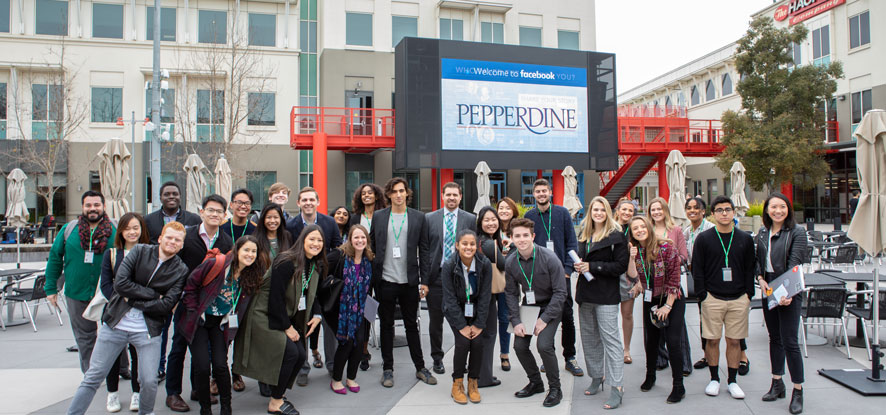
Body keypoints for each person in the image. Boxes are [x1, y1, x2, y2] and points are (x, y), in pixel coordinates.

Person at [67, 221, 190, 415]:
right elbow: (121, 284)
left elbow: (166, 306)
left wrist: (134, 301)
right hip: (115, 324)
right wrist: (153, 294)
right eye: (169, 237)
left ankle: (146, 412)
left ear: (182, 244)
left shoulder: (180, 270)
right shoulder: (140, 251)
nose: (172, 242)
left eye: (177, 240)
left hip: (147, 331)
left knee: (149, 381)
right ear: (160, 238)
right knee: (93, 376)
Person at [232, 225, 325, 415]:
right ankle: (275, 402)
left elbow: (312, 294)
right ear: (302, 240)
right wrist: (287, 327)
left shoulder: (314, 264)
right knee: (290, 352)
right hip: (263, 313)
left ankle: (278, 394)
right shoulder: (286, 261)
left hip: (283, 314)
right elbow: (275, 298)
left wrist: (317, 315)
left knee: (300, 355)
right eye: (312, 239)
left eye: (320, 240)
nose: (316, 244)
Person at [181, 236, 266, 415]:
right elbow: (191, 285)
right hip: (201, 321)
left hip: (221, 324)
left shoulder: (250, 276)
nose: (250, 255)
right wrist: (192, 311)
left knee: (220, 365)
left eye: (253, 251)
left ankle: (226, 406)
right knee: (202, 366)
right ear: (237, 250)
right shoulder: (217, 264)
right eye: (246, 250)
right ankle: (205, 408)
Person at [165, 195, 235, 413]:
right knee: (178, 346)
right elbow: (175, 267)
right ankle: (173, 392)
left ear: (225, 216)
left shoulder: (226, 242)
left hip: (210, 307)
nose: (214, 214)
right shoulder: (188, 236)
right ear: (202, 211)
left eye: (219, 212)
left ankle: (198, 389)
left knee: (202, 352)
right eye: (210, 210)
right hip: (186, 303)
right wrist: (176, 300)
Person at [370, 177, 435, 388]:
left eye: (402, 191)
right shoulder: (379, 217)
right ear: (388, 195)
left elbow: (424, 250)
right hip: (385, 281)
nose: (399, 195)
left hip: (409, 282)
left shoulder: (418, 218)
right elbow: (372, 247)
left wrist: (425, 281)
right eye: (394, 191)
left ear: (407, 193)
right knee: (386, 326)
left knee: (412, 326)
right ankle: (387, 369)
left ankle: (420, 367)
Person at [45, 190, 117, 374]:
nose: (92, 209)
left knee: (115, 333)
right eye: (88, 205)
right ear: (83, 207)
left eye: (96, 205)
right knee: (85, 337)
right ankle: (90, 372)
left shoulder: (116, 229)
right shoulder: (69, 230)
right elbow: (55, 257)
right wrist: (51, 288)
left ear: (103, 207)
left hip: (109, 292)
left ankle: (121, 368)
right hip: (77, 292)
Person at [691, 196, 756, 400]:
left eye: (728, 209)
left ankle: (733, 380)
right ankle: (714, 378)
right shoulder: (704, 238)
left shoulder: (745, 238)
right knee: (712, 340)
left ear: (733, 212)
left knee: (734, 341)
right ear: (713, 214)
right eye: (719, 210)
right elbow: (697, 268)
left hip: (738, 298)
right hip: (712, 297)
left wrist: (748, 294)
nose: (724, 213)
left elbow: (750, 268)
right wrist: (703, 294)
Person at [505, 218, 568, 408]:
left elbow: (561, 293)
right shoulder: (510, 262)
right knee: (519, 346)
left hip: (551, 306)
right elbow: (511, 293)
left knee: (544, 345)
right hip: (530, 306)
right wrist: (516, 321)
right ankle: (536, 382)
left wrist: (544, 319)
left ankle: (555, 388)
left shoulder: (549, 258)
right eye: (517, 236)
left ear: (533, 236)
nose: (522, 239)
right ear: (511, 238)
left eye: (525, 235)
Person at [523, 179, 583, 377]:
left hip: (561, 275)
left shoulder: (562, 213)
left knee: (566, 316)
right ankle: (548, 357)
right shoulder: (530, 215)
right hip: (539, 278)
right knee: (542, 317)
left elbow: (571, 243)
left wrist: (567, 270)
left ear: (550, 193)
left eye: (544, 191)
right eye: (538, 191)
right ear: (534, 195)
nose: (541, 194)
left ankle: (570, 357)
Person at [754, 193, 807, 414]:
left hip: (789, 293)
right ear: (767, 210)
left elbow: (794, 264)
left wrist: (787, 293)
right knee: (774, 338)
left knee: (790, 342)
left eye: (782, 207)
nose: (778, 211)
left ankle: (798, 390)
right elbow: (758, 261)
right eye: (774, 207)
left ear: (788, 209)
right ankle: (777, 383)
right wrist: (760, 278)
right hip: (768, 291)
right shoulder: (763, 232)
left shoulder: (797, 232)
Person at [574, 197, 629, 409]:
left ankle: (617, 387)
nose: (598, 213)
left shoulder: (616, 236)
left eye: (602, 210)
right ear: (590, 213)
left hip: (606, 295)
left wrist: (593, 266)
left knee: (611, 342)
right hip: (586, 294)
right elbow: (582, 260)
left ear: (607, 212)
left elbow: (620, 266)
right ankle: (597, 376)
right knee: (589, 339)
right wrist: (579, 265)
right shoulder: (585, 234)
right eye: (595, 209)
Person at [626, 215, 686, 403]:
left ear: (649, 227)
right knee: (651, 340)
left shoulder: (666, 247)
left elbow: (674, 279)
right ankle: (650, 375)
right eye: (635, 228)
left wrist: (667, 306)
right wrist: (631, 257)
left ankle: (678, 386)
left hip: (672, 298)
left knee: (673, 341)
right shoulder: (637, 251)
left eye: (642, 226)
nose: (640, 230)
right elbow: (632, 275)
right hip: (650, 299)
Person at [285, 186, 342, 384]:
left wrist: (323, 263)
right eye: (304, 200)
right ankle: (302, 367)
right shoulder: (290, 225)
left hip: (325, 280)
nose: (308, 203)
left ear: (318, 202)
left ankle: (333, 363)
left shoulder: (329, 222)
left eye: (312, 199)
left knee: (328, 322)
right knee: (302, 322)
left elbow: (338, 247)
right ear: (298, 203)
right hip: (301, 280)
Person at [425, 182, 477, 375]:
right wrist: (424, 280)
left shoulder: (470, 219)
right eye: (448, 195)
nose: (452, 198)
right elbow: (424, 250)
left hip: (461, 276)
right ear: (442, 196)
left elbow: (474, 246)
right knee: (436, 320)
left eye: (455, 195)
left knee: (462, 319)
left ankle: (462, 358)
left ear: (460, 197)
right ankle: (437, 358)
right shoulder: (430, 218)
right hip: (436, 277)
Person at [100, 212, 149, 413]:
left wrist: (138, 302)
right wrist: (123, 300)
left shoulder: (149, 253)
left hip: (141, 313)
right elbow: (105, 284)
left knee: (138, 355)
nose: (132, 232)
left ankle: (136, 394)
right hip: (115, 312)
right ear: (121, 231)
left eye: (135, 228)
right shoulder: (111, 254)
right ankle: (112, 394)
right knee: (112, 355)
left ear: (142, 230)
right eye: (127, 228)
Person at [249, 202, 294, 398]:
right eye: (269, 217)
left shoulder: (287, 237)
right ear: (262, 220)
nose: (272, 221)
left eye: (276, 217)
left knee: (278, 341)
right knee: (265, 340)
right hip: (261, 295)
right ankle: (263, 378)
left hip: (282, 294)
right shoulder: (255, 239)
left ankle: (275, 375)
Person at [442, 230, 492, 404]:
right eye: (464, 244)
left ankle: (473, 382)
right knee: (463, 343)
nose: (468, 247)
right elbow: (449, 299)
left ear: (476, 246)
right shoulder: (449, 265)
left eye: (472, 244)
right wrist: (462, 326)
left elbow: (486, 296)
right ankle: (457, 383)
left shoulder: (484, 264)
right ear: (457, 245)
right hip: (455, 309)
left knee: (478, 342)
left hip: (476, 308)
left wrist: (478, 324)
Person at [324, 225, 373, 394]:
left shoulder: (368, 260)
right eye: (356, 237)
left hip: (360, 310)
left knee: (359, 343)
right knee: (346, 342)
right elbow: (321, 270)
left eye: (363, 237)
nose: (360, 241)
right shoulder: (338, 256)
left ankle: (351, 378)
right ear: (350, 239)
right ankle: (336, 380)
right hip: (340, 310)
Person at [646, 197, 692, 375]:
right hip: (652, 284)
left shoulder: (676, 230)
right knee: (654, 323)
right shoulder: (647, 230)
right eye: (653, 210)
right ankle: (659, 358)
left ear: (665, 210)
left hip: (672, 283)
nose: (656, 212)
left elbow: (684, 256)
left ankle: (684, 364)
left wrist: (668, 259)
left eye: (659, 209)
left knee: (677, 327)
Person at [348, 183, 386, 371]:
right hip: (360, 267)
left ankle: (377, 342)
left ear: (377, 195)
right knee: (361, 307)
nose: (367, 196)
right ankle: (363, 350)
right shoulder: (355, 217)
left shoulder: (383, 216)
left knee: (373, 306)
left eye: (370, 193)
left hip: (380, 267)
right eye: (363, 194)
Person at [475, 207, 508, 387]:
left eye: (493, 219)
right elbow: (503, 265)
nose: (491, 223)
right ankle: (483, 378)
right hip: (486, 296)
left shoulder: (484, 241)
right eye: (486, 220)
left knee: (484, 334)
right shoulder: (487, 243)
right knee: (488, 334)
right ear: (480, 222)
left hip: (481, 295)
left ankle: (483, 374)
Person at [685, 197, 715, 370]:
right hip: (698, 278)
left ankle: (742, 356)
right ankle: (707, 355)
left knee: (725, 319)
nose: (692, 211)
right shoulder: (688, 231)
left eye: (696, 208)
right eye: (689, 208)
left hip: (713, 277)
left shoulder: (711, 229)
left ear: (703, 211)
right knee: (704, 317)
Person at [495, 197, 520, 372]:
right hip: (491, 278)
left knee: (505, 317)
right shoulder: (491, 228)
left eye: (507, 208)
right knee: (487, 318)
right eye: (500, 208)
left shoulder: (518, 230)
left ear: (513, 211)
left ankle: (505, 354)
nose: (503, 211)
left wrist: (515, 244)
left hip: (509, 280)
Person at [614, 199, 638, 365]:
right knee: (608, 315)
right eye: (624, 209)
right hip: (611, 274)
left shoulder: (634, 229)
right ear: (618, 210)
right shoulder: (610, 227)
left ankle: (627, 349)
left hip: (628, 275)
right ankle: (613, 347)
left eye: (630, 210)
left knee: (627, 314)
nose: (627, 213)